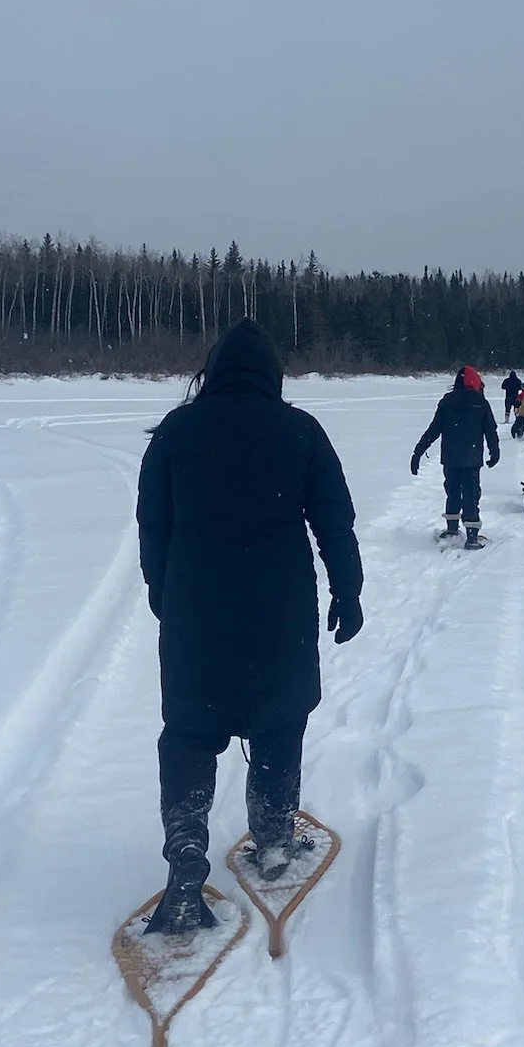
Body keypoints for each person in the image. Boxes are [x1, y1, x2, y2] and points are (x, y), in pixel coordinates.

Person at [136, 319, 363, 931]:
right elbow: (334, 523)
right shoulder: (300, 432)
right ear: (272, 376)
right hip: (278, 612)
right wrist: (348, 590)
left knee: (189, 731)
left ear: (212, 372)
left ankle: (186, 856)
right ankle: (272, 842)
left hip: (195, 616)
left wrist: (164, 593)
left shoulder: (176, 433)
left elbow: (152, 525)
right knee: (277, 722)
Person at [410, 364, 501, 548]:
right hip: (472, 458)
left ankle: (452, 529)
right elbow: (490, 430)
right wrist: (494, 451)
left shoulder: (447, 401)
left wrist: (418, 452)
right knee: (471, 494)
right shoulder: (480, 402)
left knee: (452, 491)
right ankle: (472, 536)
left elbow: (434, 429)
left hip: (451, 458)